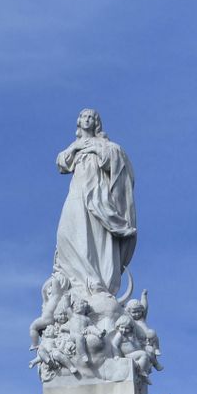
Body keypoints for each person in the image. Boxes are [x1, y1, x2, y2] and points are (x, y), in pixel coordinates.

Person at [55, 108, 136, 296]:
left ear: (96, 122)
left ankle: (95, 279)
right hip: (77, 193)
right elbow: (61, 164)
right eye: (84, 116)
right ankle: (75, 280)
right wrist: (76, 147)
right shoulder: (74, 146)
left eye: (91, 117)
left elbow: (117, 160)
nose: (87, 119)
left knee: (94, 236)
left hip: (96, 195)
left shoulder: (105, 144)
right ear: (79, 121)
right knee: (65, 233)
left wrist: (97, 150)